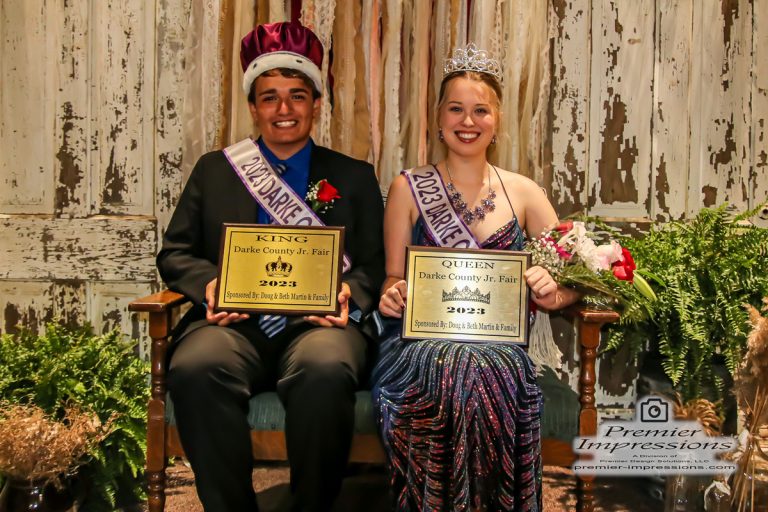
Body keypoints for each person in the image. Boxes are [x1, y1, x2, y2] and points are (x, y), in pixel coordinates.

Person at [157, 21, 385, 512]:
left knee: (326, 367)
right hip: (232, 324)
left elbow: (374, 263)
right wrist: (211, 286)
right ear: (253, 107)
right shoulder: (214, 170)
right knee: (197, 366)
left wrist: (348, 292)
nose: (284, 110)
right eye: (270, 97)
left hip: (317, 324)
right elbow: (174, 253)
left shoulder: (353, 176)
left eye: (297, 96)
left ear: (317, 104)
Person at [373, 44, 579, 511]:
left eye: (480, 110)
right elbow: (391, 277)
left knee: (484, 365)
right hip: (417, 343)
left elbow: (573, 279)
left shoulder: (525, 192)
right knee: (452, 365)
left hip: (499, 345)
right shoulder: (409, 187)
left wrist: (554, 292)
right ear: (439, 119)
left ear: (497, 120)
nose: (468, 121)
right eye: (456, 109)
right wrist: (393, 295)